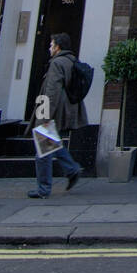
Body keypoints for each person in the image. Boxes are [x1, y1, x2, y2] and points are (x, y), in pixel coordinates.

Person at [27, 32, 85, 199]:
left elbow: (51, 91)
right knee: (51, 143)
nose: (49, 48)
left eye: (51, 45)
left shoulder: (57, 63)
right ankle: (72, 169)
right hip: (65, 108)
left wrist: (44, 116)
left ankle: (43, 188)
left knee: (42, 150)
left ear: (58, 47)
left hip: (52, 109)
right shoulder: (70, 61)